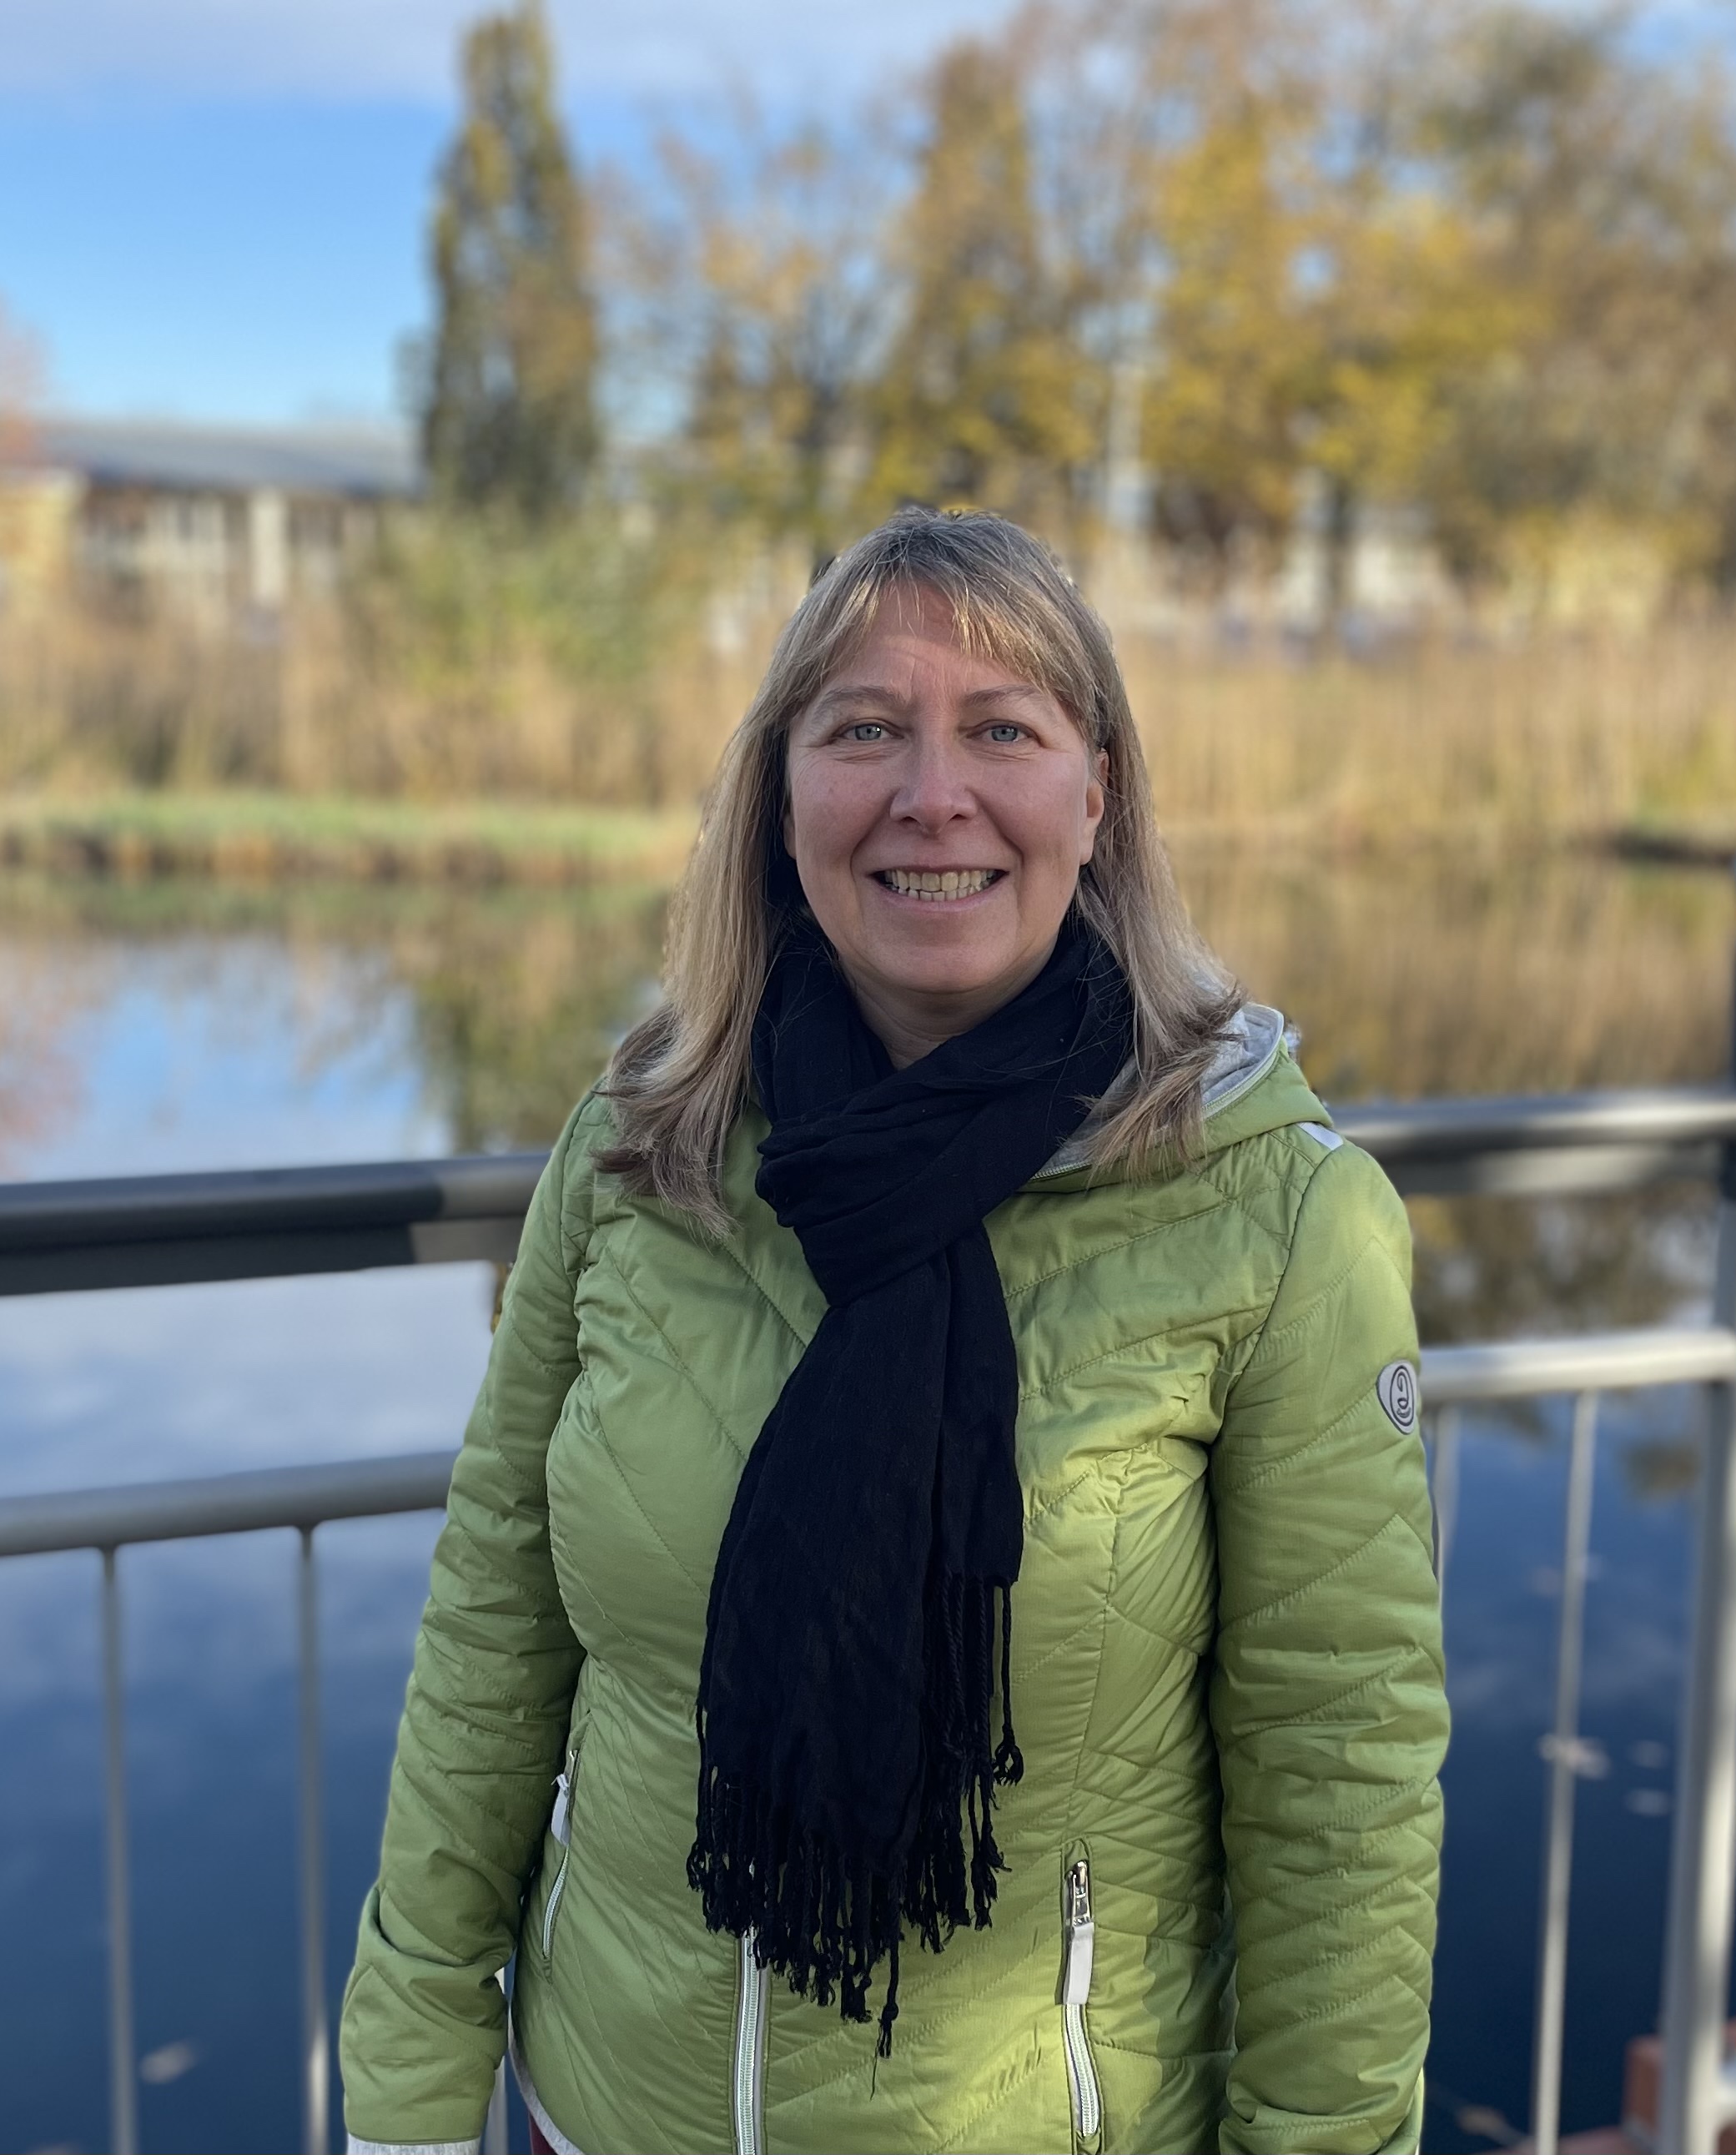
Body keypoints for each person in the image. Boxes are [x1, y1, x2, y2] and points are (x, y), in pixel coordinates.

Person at [338, 508, 1447, 2155]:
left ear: (1097, 794)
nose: (932, 794)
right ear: (781, 797)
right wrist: (410, 2089)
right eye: (863, 730)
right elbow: (492, 1636)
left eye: (1001, 730)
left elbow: (1337, 1783)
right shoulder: (639, 1149)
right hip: (602, 2104)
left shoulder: (1277, 1215)